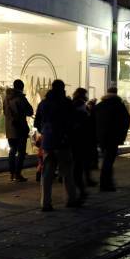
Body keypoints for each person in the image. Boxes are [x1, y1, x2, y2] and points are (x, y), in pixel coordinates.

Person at [34, 80, 77, 210]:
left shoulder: (43, 103)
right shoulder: (67, 103)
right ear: (63, 89)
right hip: (63, 142)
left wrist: (46, 130)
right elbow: (72, 123)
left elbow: (37, 123)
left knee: (47, 174)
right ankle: (70, 199)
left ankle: (45, 203)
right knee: (67, 173)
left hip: (48, 142)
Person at [94, 87, 130, 191]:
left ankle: (106, 182)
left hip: (102, 138)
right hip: (114, 137)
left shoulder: (99, 106)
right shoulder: (119, 106)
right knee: (109, 160)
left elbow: (92, 122)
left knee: (106, 159)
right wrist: (122, 135)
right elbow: (126, 121)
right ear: (116, 93)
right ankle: (105, 183)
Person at [3, 79, 33, 182]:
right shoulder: (20, 98)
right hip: (20, 128)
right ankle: (18, 174)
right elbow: (30, 111)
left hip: (10, 128)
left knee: (12, 150)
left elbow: (5, 112)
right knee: (21, 152)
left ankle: (11, 173)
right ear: (21, 87)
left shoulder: (6, 98)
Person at [71, 87, 93, 200]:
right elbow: (84, 121)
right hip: (79, 140)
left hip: (78, 139)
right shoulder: (79, 106)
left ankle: (80, 189)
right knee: (77, 166)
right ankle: (79, 190)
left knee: (78, 165)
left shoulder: (76, 104)